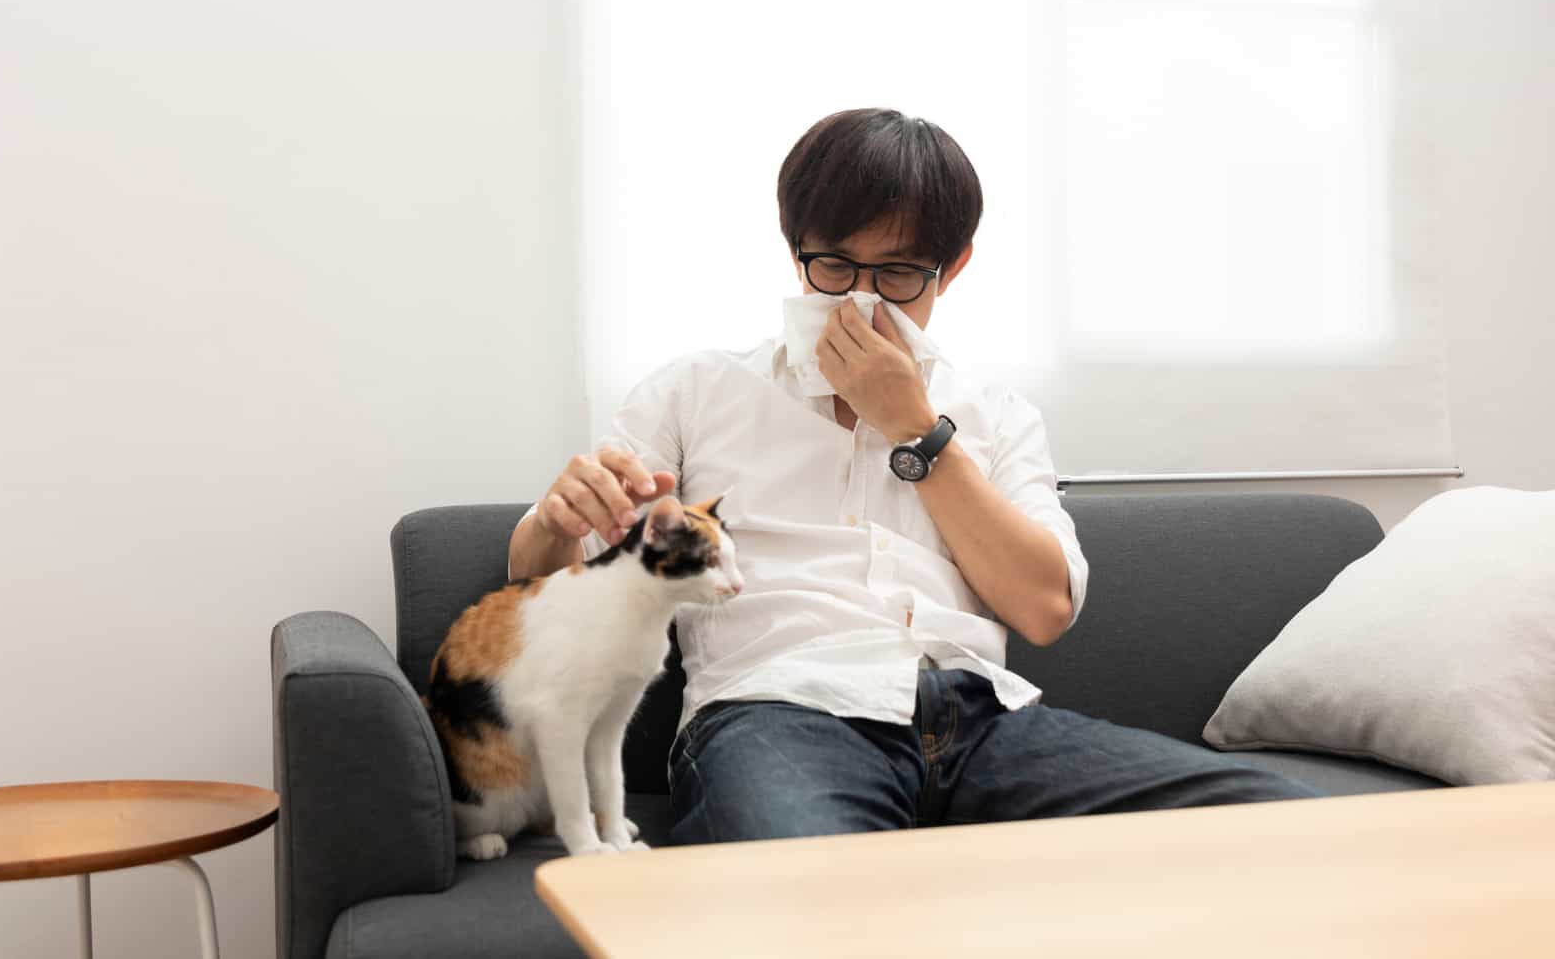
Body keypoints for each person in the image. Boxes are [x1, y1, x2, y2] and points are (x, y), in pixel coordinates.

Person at [508, 107, 1318, 845]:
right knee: (806, 894)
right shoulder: (695, 391)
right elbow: (557, 594)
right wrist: (551, 525)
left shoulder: (995, 415)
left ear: (952, 268)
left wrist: (918, 432)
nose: (860, 301)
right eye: (835, 266)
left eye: (897, 274)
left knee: (1293, 829)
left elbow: (1041, 610)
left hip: (987, 723)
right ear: (797, 253)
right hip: (778, 712)